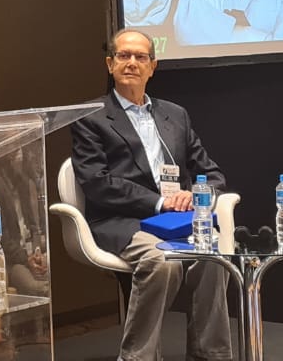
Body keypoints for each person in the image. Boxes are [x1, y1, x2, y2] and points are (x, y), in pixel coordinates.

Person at [71, 29, 232, 361]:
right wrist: (159, 202)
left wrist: (195, 194)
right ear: (110, 64)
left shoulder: (175, 114)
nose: (132, 63)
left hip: (177, 220)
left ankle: (210, 355)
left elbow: (212, 173)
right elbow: (96, 182)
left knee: (213, 254)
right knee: (162, 261)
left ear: (152, 66)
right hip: (123, 220)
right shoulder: (90, 116)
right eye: (123, 56)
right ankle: (137, 357)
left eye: (140, 57)